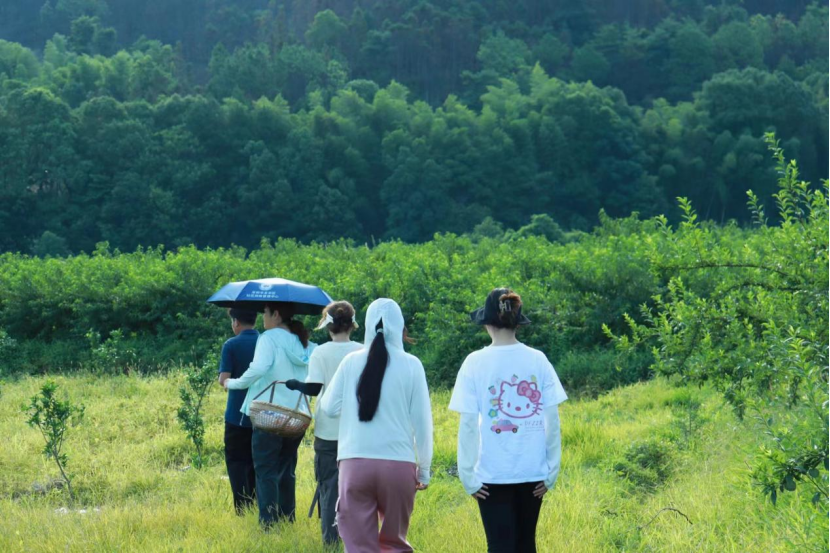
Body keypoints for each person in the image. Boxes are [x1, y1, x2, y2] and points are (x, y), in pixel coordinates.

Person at [449, 288, 567, 553]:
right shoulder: (538, 359)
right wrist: (551, 471)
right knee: (526, 545)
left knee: (499, 546)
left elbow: (468, 425)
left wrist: (467, 476)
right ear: (517, 322)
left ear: (487, 323)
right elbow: (552, 421)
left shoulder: (474, 362)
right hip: (533, 473)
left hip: (491, 475)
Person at [320, 298, 433, 553]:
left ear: (368, 326)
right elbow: (423, 423)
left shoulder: (350, 362)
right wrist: (424, 470)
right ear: (400, 326)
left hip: (354, 464)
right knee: (395, 544)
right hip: (399, 465)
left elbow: (328, 408)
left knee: (359, 546)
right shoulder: (412, 365)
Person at [223, 302, 312, 528]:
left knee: (265, 470)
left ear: (276, 314)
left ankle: (269, 524)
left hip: (269, 414)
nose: (262, 317)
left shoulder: (269, 338)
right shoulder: (302, 341)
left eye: (265, 312)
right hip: (296, 416)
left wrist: (233, 383)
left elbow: (259, 369)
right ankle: (287, 519)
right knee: (286, 469)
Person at [284, 301, 362, 546]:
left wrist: (295, 384)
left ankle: (331, 542)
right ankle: (356, 541)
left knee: (329, 488)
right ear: (352, 324)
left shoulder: (321, 352)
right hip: (358, 431)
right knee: (357, 489)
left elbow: (314, 388)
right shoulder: (363, 350)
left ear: (328, 326)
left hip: (328, 432)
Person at [218, 308, 260, 514]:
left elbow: (223, 379)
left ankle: (243, 508)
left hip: (236, 414)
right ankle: (259, 502)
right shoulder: (265, 342)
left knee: (236, 462)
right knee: (257, 461)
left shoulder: (231, 345)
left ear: (236, 322)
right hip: (263, 413)